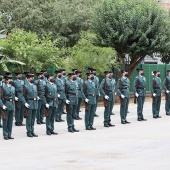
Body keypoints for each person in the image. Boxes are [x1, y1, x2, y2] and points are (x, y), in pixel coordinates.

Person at [1, 75, 14, 140]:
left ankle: (9, 134)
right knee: (5, 121)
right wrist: (2, 105)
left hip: (12, 105)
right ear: (6, 81)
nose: (11, 80)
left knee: (10, 121)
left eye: (11, 79)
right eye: (9, 79)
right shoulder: (3, 87)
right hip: (6, 105)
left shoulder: (13, 87)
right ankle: (5, 135)